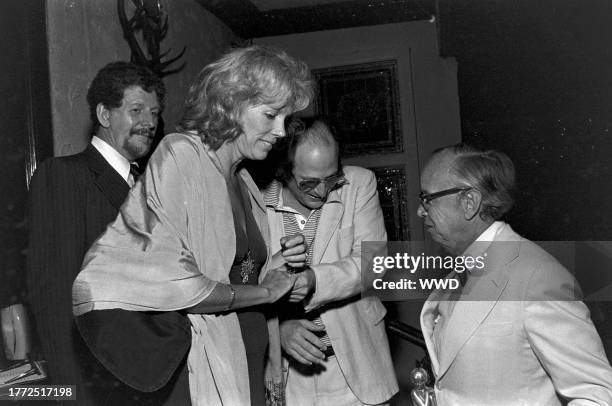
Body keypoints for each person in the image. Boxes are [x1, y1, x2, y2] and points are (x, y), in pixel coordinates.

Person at [72, 45, 315, 406]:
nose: (281, 131)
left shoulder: (245, 179)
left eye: (285, 118)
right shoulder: (181, 154)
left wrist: (274, 273)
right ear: (232, 105)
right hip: (199, 369)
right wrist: (265, 292)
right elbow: (178, 281)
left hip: (246, 361)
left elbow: (242, 278)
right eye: (270, 115)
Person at [418, 143, 612, 405]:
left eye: (427, 199)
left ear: (469, 202)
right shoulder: (461, 269)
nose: (421, 211)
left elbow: (597, 394)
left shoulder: (538, 278)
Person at [27, 61, 164, 405]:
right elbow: (55, 302)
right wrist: (73, 395)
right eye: (136, 110)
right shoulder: (64, 176)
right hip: (96, 390)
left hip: (147, 381)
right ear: (104, 114)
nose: (149, 123)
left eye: (155, 112)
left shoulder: (152, 188)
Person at [264, 119, 398, 405]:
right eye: (309, 182)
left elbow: (373, 263)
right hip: (290, 380)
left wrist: (314, 280)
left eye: (331, 177)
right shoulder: (256, 199)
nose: (323, 192)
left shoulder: (358, 183)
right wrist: (278, 329)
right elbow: (246, 285)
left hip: (358, 370)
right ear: (283, 171)